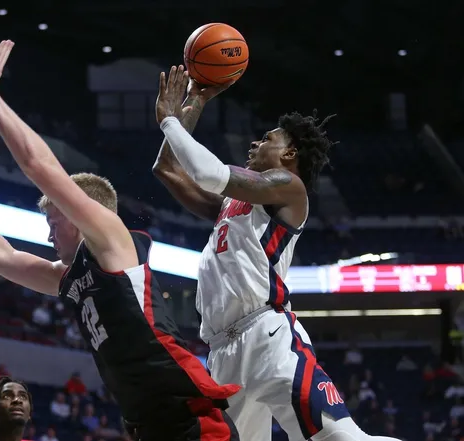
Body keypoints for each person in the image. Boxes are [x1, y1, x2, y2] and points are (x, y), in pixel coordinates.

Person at [0, 41, 240, 441]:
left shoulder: (112, 240)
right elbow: (3, 258)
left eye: (54, 220)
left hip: (189, 416)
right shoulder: (70, 276)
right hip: (151, 424)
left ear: (84, 217)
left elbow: (38, 165)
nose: (48, 234)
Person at [153, 65, 402, 441]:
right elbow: (166, 167)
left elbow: (210, 173)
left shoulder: (288, 186)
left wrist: (169, 120)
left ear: (290, 153)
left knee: (340, 439)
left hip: (267, 335)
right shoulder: (230, 205)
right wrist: (196, 100)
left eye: (266, 138)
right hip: (221, 352)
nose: (255, 144)